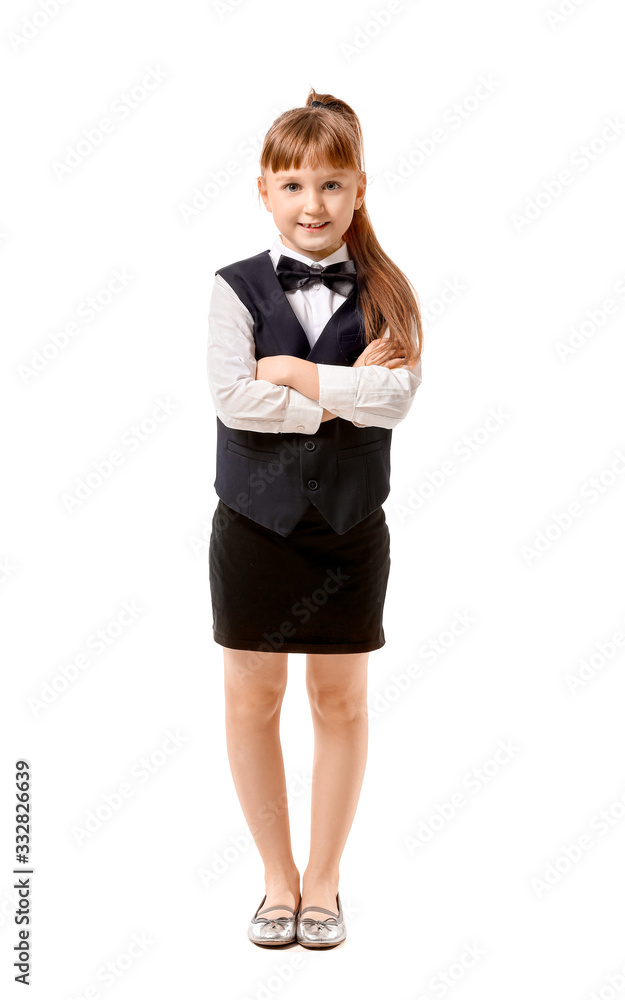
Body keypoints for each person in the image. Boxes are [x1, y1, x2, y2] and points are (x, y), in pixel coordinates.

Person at [206, 88, 423, 949]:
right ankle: (276, 880)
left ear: (359, 188)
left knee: (339, 700)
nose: (312, 204)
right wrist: (340, 396)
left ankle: (325, 883)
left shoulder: (388, 290)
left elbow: (397, 398)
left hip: (348, 529)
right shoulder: (232, 289)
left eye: (331, 185)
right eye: (294, 185)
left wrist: (291, 371)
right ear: (265, 189)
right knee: (251, 701)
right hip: (252, 530)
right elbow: (230, 397)